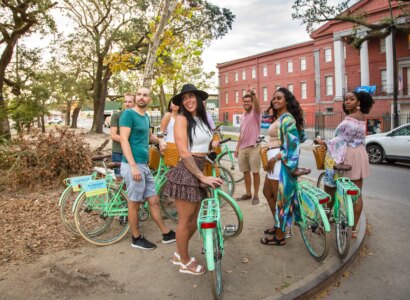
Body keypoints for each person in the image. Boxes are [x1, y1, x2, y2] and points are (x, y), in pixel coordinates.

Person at [163, 84, 223, 275]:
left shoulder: (202, 120)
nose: (188, 101)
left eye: (191, 97)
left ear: (198, 99)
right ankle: (184, 261)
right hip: (187, 171)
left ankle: (179, 254)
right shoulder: (181, 119)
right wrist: (201, 176)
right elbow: (183, 152)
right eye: (184, 98)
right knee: (185, 221)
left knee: (195, 220)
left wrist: (213, 145)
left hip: (200, 166)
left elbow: (202, 146)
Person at [119, 87, 176, 250]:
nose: (141, 97)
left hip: (143, 166)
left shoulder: (145, 117)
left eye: (145, 95)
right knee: (134, 203)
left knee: (154, 200)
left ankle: (166, 234)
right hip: (133, 165)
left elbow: (148, 136)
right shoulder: (129, 114)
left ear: (150, 100)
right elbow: (123, 139)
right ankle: (136, 238)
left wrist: (160, 141)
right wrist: (133, 166)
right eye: (139, 94)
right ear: (135, 97)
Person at [315, 91, 374, 239]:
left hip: (347, 155)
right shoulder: (361, 118)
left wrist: (323, 142)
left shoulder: (348, 120)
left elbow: (339, 141)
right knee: (357, 193)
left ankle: (324, 222)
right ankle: (353, 230)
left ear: (359, 102)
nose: (347, 101)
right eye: (346, 99)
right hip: (360, 154)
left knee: (330, 189)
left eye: (351, 99)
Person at [261, 87, 305, 246]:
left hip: (280, 163)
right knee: (267, 192)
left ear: (287, 100)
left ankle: (280, 236)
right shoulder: (282, 118)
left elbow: (294, 144)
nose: (275, 101)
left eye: (279, 98)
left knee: (280, 200)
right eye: (274, 98)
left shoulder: (287, 119)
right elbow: (301, 136)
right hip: (275, 161)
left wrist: (276, 158)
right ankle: (278, 225)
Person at [234, 88, 262, 205]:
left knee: (255, 172)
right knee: (245, 171)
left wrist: (253, 95)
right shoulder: (243, 117)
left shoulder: (255, 114)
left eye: (248, 101)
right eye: (244, 101)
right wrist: (237, 148)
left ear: (252, 102)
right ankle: (248, 193)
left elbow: (258, 106)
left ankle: (255, 195)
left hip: (254, 147)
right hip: (243, 148)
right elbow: (242, 133)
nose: (246, 103)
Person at [110, 93, 135, 179]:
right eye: (125, 102)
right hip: (118, 152)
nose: (127, 104)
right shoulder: (116, 115)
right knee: (119, 180)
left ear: (135, 103)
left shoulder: (138, 116)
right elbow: (113, 135)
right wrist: (129, 142)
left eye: (130, 102)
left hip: (133, 153)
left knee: (132, 179)